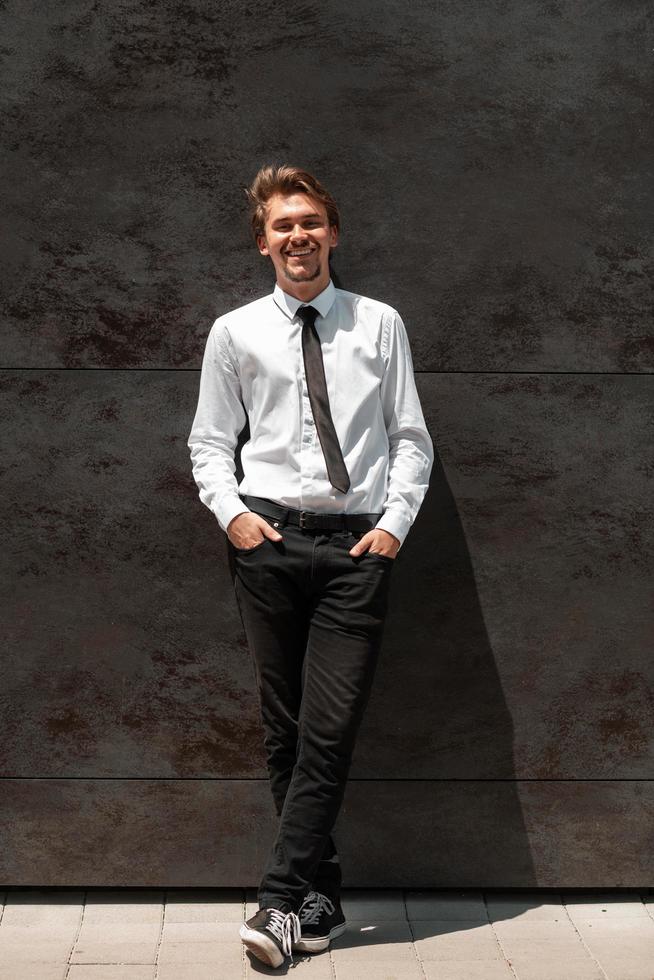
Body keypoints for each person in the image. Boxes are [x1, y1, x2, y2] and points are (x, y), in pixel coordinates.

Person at [187, 164, 434, 968]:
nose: (298, 236)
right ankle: (319, 892)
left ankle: (277, 902)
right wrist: (237, 520)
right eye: (283, 226)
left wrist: (393, 525)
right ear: (263, 243)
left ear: (334, 233)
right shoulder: (235, 332)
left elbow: (408, 438)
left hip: (356, 549)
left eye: (311, 222)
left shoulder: (379, 324)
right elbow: (210, 444)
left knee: (329, 731)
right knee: (286, 731)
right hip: (269, 547)